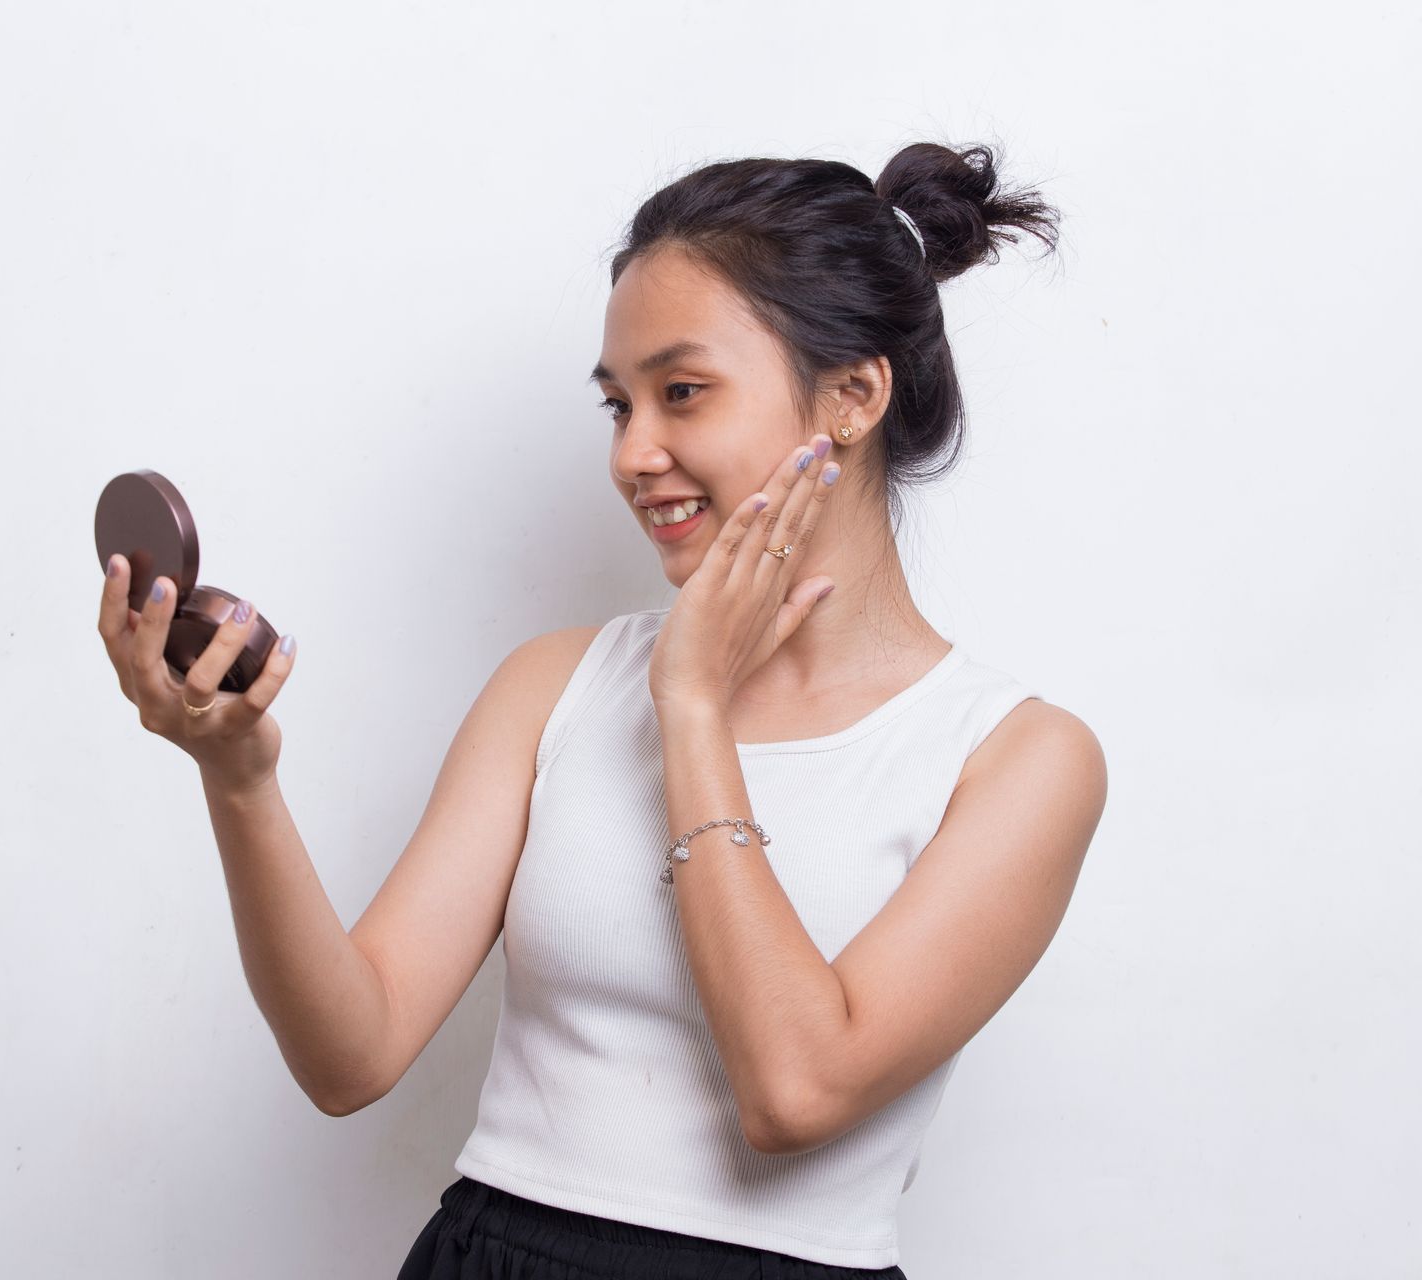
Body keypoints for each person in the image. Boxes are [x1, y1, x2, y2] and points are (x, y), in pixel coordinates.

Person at [95, 138, 1107, 1279]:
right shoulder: (553, 685)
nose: (635, 453)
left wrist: (691, 708)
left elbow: (795, 1086)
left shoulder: (1014, 758)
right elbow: (352, 1053)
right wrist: (239, 781)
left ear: (855, 393)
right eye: (618, 404)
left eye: (682, 392)